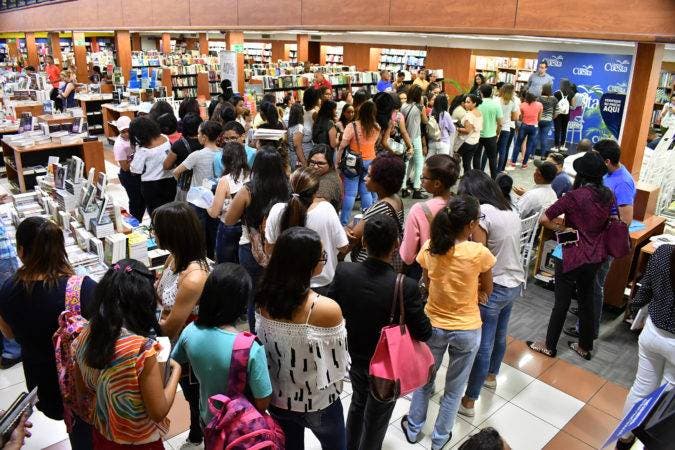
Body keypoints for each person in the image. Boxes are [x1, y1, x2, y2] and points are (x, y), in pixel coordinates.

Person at [329, 214, 432, 450]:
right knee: (377, 417)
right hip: (386, 365)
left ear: (364, 242)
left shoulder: (345, 272)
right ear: (396, 246)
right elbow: (424, 333)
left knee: (357, 403)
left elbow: (333, 308)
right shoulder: (404, 285)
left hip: (353, 356)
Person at [401, 195, 496, 450]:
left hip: (433, 325)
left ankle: (413, 428)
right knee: (454, 389)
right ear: (471, 224)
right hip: (467, 328)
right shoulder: (479, 253)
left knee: (424, 381)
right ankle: (440, 438)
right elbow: (487, 289)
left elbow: (428, 283)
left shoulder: (431, 247)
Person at [0, 217, 95, 449]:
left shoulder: (8, 289)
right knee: (85, 429)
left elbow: (9, 334)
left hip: (41, 379)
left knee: (68, 421)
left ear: (21, 251)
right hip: (81, 384)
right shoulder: (82, 287)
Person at [255, 227, 349, 450]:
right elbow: (338, 364)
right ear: (307, 264)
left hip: (278, 398)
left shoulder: (262, 297)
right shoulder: (326, 309)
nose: (325, 259)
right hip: (318, 402)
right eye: (322, 256)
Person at [73, 259, 182, 448]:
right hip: (139, 440)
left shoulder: (86, 330)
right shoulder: (142, 350)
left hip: (102, 433)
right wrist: (177, 370)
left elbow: (82, 388)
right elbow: (158, 411)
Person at [527, 151, 612, 360]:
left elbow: (544, 218)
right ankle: (584, 346)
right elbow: (611, 220)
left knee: (561, 302)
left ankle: (549, 345)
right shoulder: (608, 194)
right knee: (587, 300)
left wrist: (562, 230)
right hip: (595, 255)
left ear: (581, 174)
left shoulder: (574, 196)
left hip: (570, 253)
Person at [456, 171, 524, 417]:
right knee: (500, 335)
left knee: (482, 344)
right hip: (514, 281)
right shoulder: (509, 209)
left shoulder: (482, 215)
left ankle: (469, 401)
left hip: (493, 286)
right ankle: (492, 377)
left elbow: (479, 256)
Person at [172, 263, 273, 426]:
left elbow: (175, 362)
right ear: (241, 304)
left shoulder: (189, 332)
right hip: (242, 430)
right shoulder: (250, 348)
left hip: (209, 420)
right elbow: (263, 401)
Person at [153, 202, 210, 449]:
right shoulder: (173, 257)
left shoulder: (194, 275)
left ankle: (199, 429)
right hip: (168, 341)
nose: (153, 234)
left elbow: (170, 328)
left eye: (157, 229)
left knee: (192, 392)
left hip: (185, 348)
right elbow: (159, 295)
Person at [566, 140, 636, 340]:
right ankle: (585, 316)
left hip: (603, 243)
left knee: (595, 286)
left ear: (606, 161)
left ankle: (587, 329)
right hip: (591, 239)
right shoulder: (606, 174)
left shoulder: (622, 182)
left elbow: (625, 220)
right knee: (587, 283)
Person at [615, 244, 674, 450]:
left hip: (652, 333)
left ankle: (624, 438)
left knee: (641, 389)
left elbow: (646, 287)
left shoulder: (664, 252)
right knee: (667, 400)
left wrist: (634, 307)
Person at [224, 146, 291, 328]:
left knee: (254, 297)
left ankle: (257, 338)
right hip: (283, 248)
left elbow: (229, 220)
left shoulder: (248, 190)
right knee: (279, 291)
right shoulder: (289, 187)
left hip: (251, 248)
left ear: (256, 167)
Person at [265, 168, 349, 296]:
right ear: (315, 192)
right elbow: (343, 247)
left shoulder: (276, 210)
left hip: (284, 282)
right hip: (321, 284)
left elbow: (269, 249)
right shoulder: (326, 210)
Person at [400, 154, 460, 280]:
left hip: (428, 273)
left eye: (424, 177)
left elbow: (408, 256)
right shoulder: (461, 205)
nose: (421, 180)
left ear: (437, 183)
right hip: (455, 271)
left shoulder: (419, 210)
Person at [173, 121, 222, 259]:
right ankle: (212, 259)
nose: (198, 136)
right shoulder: (222, 153)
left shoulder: (197, 155)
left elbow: (176, 172)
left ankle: (200, 261)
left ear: (204, 137)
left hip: (197, 201)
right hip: (216, 199)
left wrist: (187, 187)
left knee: (198, 234)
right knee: (214, 232)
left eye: (199, 133)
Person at [347, 155, 405, 266]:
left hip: (371, 265)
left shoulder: (381, 206)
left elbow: (353, 237)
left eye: (369, 175)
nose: (364, 178)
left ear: (382, 181)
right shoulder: (396, 198)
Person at [337, 100, 381, 225]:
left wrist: (337, 161)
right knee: (366, 192)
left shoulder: (352, 126)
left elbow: (342, 145)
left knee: (350, 194)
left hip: (354, 162)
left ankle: (344, 222)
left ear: (360, 112)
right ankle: (367, 221)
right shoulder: (377, 127)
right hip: (371, 161)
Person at [208, 142, 250, 264]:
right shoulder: (251, 175)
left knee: (226, 264)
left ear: (225, 159)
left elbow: (214, 213)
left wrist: (207, 206)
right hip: (247, 227)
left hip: (228, 227)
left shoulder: (225, 180)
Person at [129, 116, 177, 217]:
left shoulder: (143, 150)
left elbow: (135, 170)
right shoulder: (165, 138)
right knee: (171, 212)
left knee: (156, 214)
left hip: (151, 186)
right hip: (170, 181)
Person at [112, 115, 146, 222]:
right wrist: (137, 158)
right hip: (129, 176)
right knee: (135, 201)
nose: (127, 133)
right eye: (123, 131)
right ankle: (135, 223)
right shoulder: (119, 145)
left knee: (143, 199)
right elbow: (125, 167)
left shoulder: (135, 137)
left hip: (139, 172)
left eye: (128, 130)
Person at [163, 112, 203, 201]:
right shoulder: (207, 142)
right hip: (204, 183)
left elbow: (166, 166)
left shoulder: (178, 145)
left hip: (186, 186)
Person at [400, 85, 428, 199]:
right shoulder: (420, 107)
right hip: (415, 138)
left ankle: (403, 188)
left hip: (404, 138)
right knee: (419, 163)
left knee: (405, 163)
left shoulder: (403, 106)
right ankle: (417, 188)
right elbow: (425, 121)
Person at [476, 84, 503, 178]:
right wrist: (497, 133)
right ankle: (494, 179)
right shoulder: (496, 105)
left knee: (477, 157)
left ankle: (477, 177)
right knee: (492, 158)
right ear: (491, 93)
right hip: (491, 135)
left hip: (478, 135)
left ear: (481, 93)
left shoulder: (477, 104)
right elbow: (500, 123)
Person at [509, 92, 542, 169]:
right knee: (529, 145)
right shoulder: (539, 105)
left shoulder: (522, 105)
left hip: (524, 126)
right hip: (534, 126)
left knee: (518, 144)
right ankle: (524, 164)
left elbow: (520, 118)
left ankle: (513, 162)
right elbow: (539, 118)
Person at [307, 144, 342, 212]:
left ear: (330, 164)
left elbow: (315, 211)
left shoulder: (327, 182)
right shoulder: (320, 176)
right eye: (312, 162)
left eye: (320, 163)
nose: (315, 166)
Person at [494, 84, 519, 172]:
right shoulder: (512, 103)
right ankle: (499, 170)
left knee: (495, 150)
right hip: (507, 127)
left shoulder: (496, 100)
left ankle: (493, 169)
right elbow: (515, 117)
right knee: (503, 150)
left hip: (495, 127)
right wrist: (507, 117)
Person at [456, 94, 483, 174]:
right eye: (465, 102)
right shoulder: (479, 113)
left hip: (467, 141)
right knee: (467, 163)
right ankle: (468, 180)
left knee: (456, 158)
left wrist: (457, 128)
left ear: (474, 103)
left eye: (468, 102)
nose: (465, 104)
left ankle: (455, 176)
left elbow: (467, 130)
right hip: (475, 141)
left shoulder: (469, 115)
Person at [536, 84, 558, 158]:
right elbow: (557, 111)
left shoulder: (538, 98)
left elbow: (536, 110)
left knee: (535, 137)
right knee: (544, 138)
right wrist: (552, 117)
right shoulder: (554, 99)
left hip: (538, 120)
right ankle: (542, 156)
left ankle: (531, 155)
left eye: (541, 88)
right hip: (548, 121)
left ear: (543, 89)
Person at [553, 79, 575, 151]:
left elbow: (554, 104)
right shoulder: (572, 93)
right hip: (566, 114)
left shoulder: (557, 93)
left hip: (557, 114)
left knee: (557, 130)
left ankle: (556, 147)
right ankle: (562, 146)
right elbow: (573, 106)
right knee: (564, 130)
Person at [302, 87, 321, 159]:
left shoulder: (302, 110)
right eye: (318, 98)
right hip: (309, 145)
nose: (320, 100)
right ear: (314, 99)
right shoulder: (315, 113)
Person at [287, 103, 306, 168]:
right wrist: (304, 162)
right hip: (297, 158)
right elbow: (297, 146)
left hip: (292, 156)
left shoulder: (291, 126)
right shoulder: (299, 127)